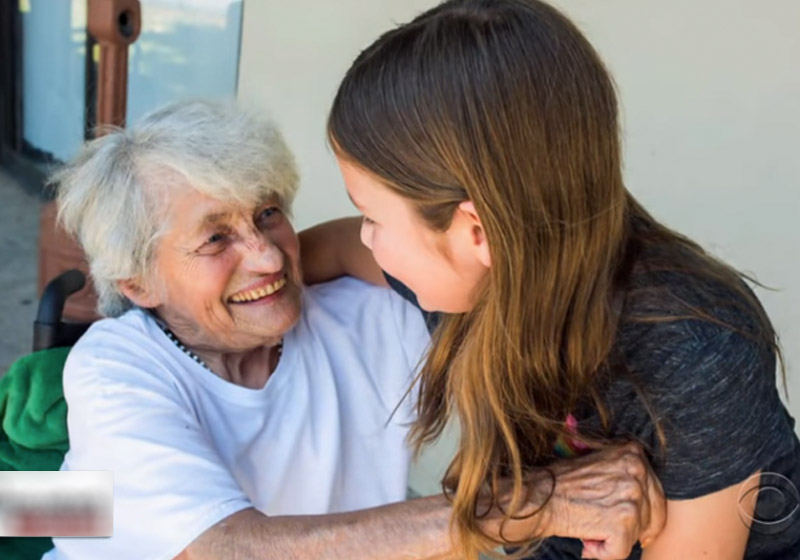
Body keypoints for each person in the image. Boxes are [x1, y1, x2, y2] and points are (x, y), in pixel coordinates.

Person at [42, 100, 664, 560]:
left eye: (268, 213)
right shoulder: (114, 367)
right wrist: (533, 505)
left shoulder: (357, 312)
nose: (268, 256)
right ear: (138, 284)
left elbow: (515, 302)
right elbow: (229, 550)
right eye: (215, 239)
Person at [301, 0, 800, 558]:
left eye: (372, 216)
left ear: (477, 232)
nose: (366, 237)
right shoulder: (481, 269)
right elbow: (331, 251)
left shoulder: (694, 353)